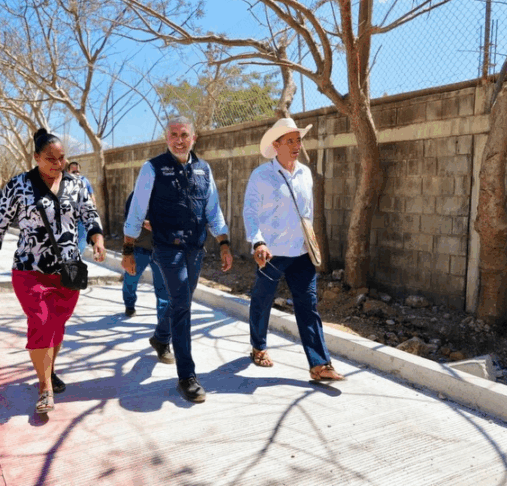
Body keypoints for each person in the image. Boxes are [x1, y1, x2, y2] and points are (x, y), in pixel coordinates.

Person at [0, 128, 106, 415]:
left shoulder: (76, 184)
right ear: (36, 157)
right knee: (42, 322)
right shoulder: (19, 185)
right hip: (29, 268)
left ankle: (49, 370)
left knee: (57, 324)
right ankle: (45, 388)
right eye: (50, 159)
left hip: (68, 269)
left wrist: (98, 240)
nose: (58, 163)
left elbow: (90, 215)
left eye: (61, 158)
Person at [122, 116, 232, 403]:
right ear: (166, 138)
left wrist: (223, 242)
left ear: (193, 138)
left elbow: (213, 210)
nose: (179, 140)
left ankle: (161, 337)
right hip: (166, 248)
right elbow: (136, 210)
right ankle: (187, 376)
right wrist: (128, 249)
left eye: (184, 134)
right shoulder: (152, 168)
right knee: (182, 303)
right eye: (174, 134)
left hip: (195, 248)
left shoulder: (204, 169)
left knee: (179, 300)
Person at [243, 118, 345, 382]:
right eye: (290, 141)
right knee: (262, 300)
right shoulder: (261, 176)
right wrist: (258, 241)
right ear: (276, 145)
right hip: (271, 253)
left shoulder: (305, 174)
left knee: (308, 305)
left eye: (298, 140)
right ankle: (258, 346)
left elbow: (307, 213)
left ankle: (319, 364)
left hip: (301, 254)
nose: (296, 145)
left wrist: (311, 240)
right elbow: (250, 212)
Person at [122, 190, 173, 363]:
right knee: (131, 279)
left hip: (161, 249)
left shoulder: (168, 194)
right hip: (140, 248)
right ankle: (129, 304)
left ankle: (163, 334)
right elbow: (129, 221)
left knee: (163, 292)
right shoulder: (137, 195)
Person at [66, 161, 96, 250]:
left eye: (78, 171)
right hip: (69, 217)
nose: (76, 174)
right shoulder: (64, 182)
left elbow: (91, 195)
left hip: (82, 216)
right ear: (68, 172)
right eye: (74, 172)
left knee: (82, 241)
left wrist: (94, 208)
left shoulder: (84, 180)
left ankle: (79, 255)